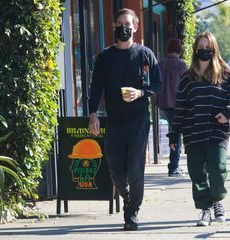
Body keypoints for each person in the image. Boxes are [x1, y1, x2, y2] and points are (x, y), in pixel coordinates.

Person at [88, 8, 162, 231]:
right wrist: (93, 114)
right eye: (119, 23)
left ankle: (132, 211)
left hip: (139, 119)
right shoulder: (105, 57)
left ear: (135, 27)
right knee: (115, 168)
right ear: (113, 26)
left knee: (135, 168)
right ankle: (127, 196)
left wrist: (140, 92)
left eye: (127, 23)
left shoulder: (145, 54)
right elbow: (95, 88)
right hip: (115, 120)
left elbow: (158, 84)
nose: (123, 27)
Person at [167, 32, 230, 226]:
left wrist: (227, 113)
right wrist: (174, 134)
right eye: (200, 47)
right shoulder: (187, 78)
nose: (204, 50)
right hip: (193, 132)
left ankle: (218, 200)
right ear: (195, 50)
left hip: (218, 130)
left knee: (217, 167)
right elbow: (180, 107)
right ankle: (204, 209)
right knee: (197, 173)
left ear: (214, 49)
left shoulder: (225, 74)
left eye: (208, 47)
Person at [155, 38, 188, 177]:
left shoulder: (160, 64)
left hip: (163, 103)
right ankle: (173, 167)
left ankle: (174, 165)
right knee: (176, 134)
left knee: (173, 133)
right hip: (178, 104)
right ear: (179, 50)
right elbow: (186, 85)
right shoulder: (182, 65)